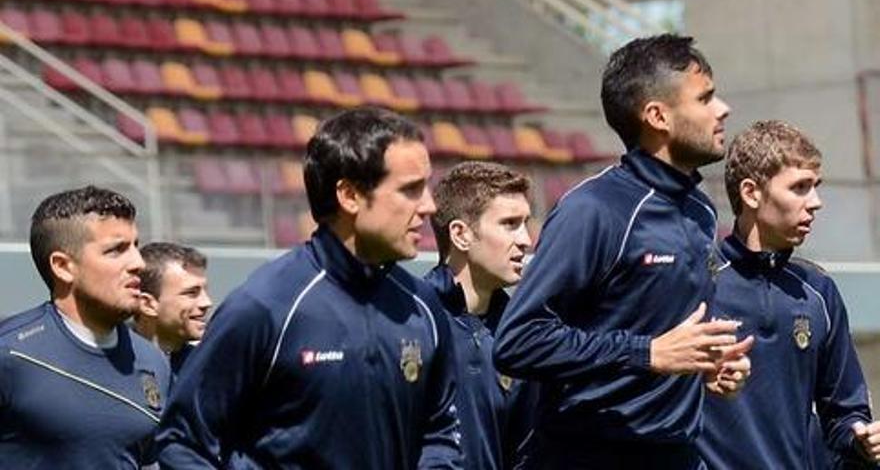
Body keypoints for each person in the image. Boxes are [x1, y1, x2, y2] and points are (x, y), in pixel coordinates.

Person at [492, 33, 753, 469]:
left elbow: (665, 341)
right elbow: (519, 341)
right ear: (657, 116)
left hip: (678, 454)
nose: (722, 109)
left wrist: (707, 368)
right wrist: (647, 354)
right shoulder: (594, 210)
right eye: (705, 98)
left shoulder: (701, 210)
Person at [157, 106, 462, 468]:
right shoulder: (266, 307)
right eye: (411, 189)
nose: (429, 205)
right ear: (349, 195)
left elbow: (440, 430)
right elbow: (183, 443)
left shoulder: (422, 305)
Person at [696, 120, 880, 469]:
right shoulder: (695, 283)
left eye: (816, 186)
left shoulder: (818, 292)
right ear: (751, 193)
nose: (816, 203)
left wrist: (862, 441)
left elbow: (843, 415)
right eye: (800, 187)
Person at [0, 185, 170, 468]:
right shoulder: (11, 355)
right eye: (117, 250)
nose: (138, 263)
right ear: (63, 266)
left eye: (136, 246)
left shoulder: (153, 361)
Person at [425, 161, 538, 470]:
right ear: (461, 235)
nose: (526, 240)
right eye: (510, 224)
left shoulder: (519, 333)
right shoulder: (414, 322)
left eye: (525, 223)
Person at [132, 242, 213, 379]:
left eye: (205, 291)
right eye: (191, 293)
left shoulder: (208, 371)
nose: (207, 303)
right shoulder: (115, 365)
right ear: (148, 305)